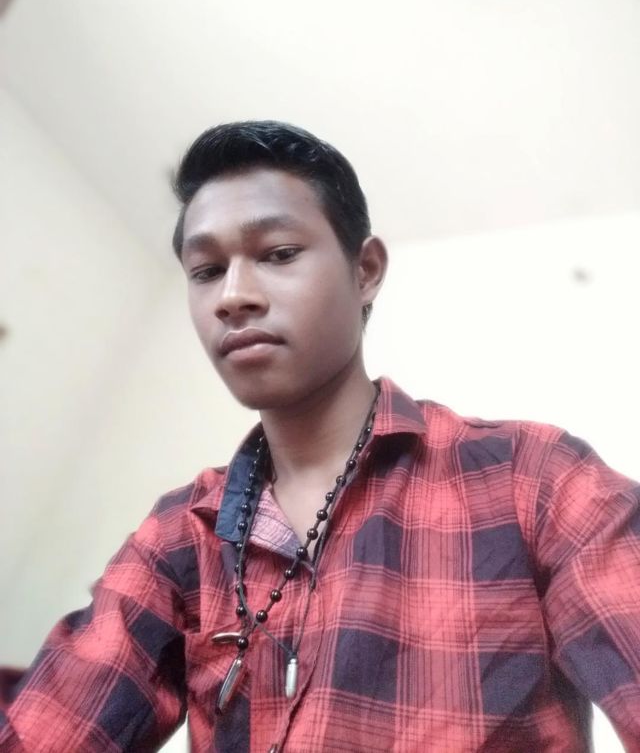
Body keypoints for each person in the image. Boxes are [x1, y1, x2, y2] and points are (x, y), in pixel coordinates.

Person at [1, 121, 639, 752]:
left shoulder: (533, 477)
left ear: (365, 270)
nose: (233, 296)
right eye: (206, 270)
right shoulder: (179, 536)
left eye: (278, 254)